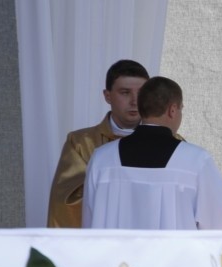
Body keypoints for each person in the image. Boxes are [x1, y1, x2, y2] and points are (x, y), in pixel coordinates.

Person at [82, 76, 222, 230]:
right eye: (181, 109)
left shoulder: (102, 159)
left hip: (114, 253)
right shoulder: (196, 161)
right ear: (172, 110)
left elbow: (89, 221)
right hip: (174, 254)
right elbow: (218, 222)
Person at [47, 59, 155, 228]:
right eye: (125, 92)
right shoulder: (81, 143)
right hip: (101, 242)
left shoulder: (170, 143)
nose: (135, 101)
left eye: (141, 93)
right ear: (107, 96)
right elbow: (67, 202)